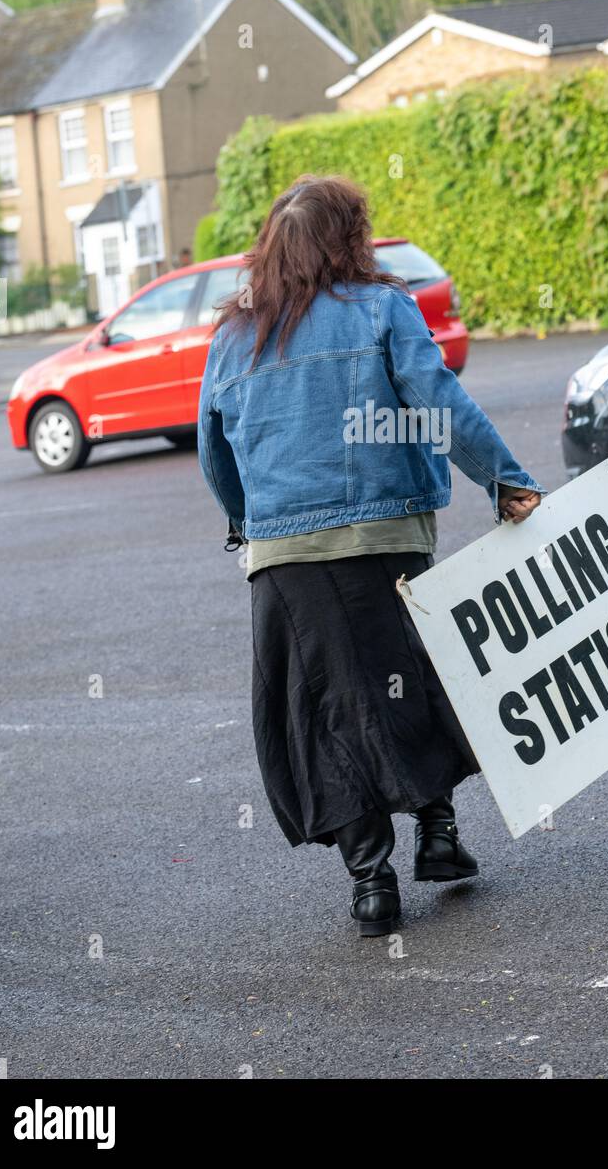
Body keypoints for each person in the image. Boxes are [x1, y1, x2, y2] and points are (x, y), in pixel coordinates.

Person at [198, 175, 544, 937]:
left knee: (324, 708)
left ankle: (371, 882)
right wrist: (505, 481)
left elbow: (214, 453)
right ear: (350, 237)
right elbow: (439, 402)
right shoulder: (384, 307)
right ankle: (441, 837)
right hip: (388, 539)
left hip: (284, 557)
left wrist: (244, 522)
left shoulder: (232, 337)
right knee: (413, 680)